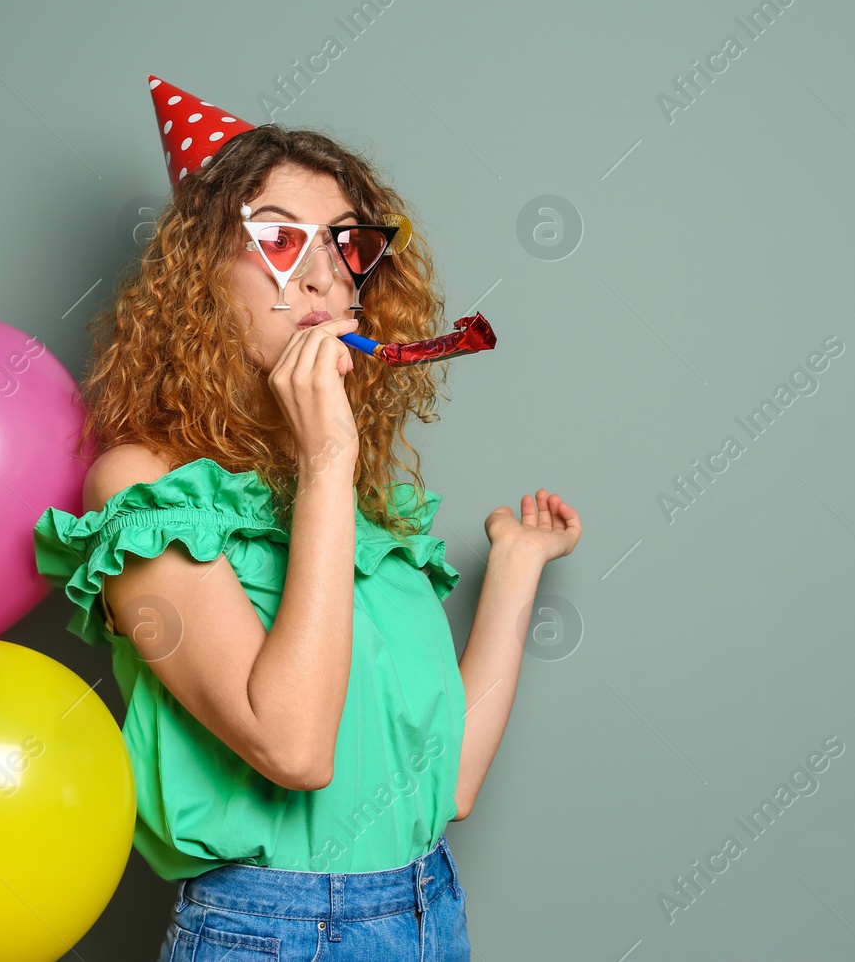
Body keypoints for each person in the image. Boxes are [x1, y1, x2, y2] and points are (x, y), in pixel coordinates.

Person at [33, 77, 581, 961]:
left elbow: (449, 786)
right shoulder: (143, 488)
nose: (325, 273)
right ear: (201, 280)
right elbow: (294, 747)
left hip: (429, 910)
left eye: (345, 243)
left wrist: (514, 568)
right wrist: (329, 458)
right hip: (273, 935)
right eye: (281, 240)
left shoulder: (358, 502)